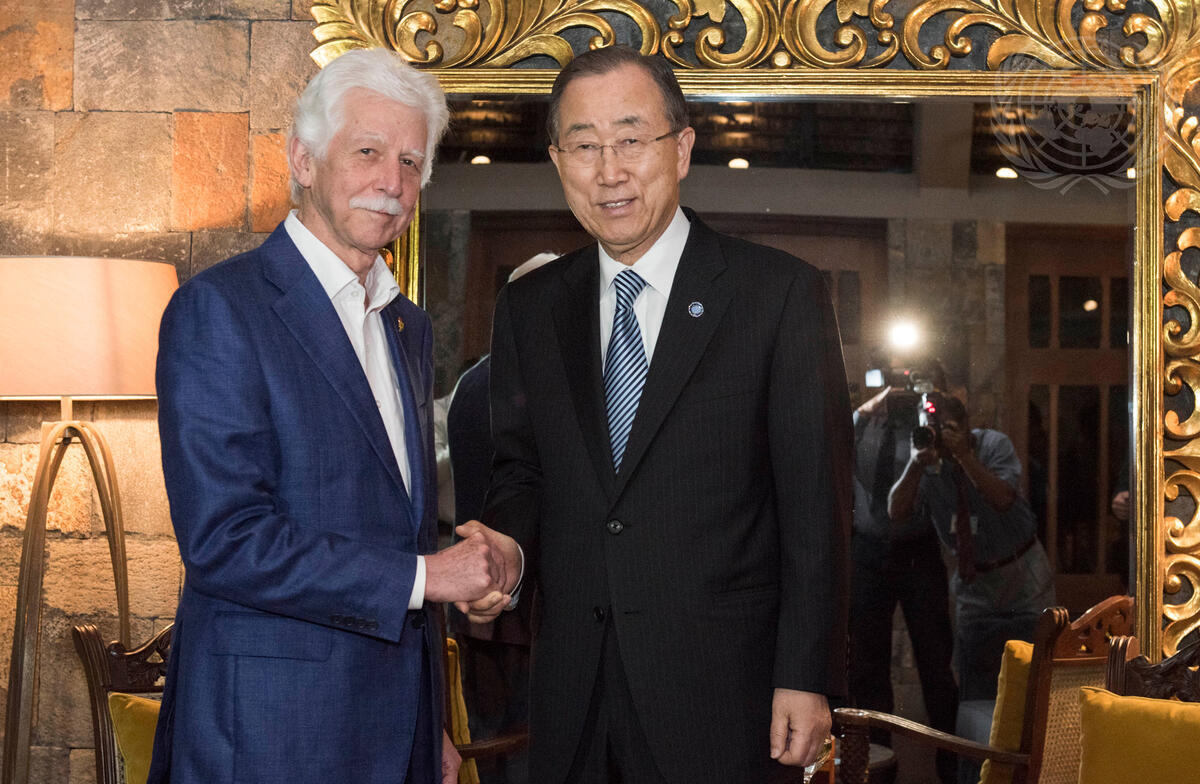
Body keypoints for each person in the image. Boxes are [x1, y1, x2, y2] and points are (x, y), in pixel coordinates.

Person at [463, 46, 854, 784]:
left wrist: (806, 676)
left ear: (681, 150)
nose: (608, 171)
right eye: (584, 146)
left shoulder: (776, 295)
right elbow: (522, 471)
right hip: (571, 688)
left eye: (631, 139)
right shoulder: (530, 307)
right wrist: (507, 551)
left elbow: (815, 509)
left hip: (723, 692)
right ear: (558, 162)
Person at [150, 48, 517, 784]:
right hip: (268, 738)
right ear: (303, 159)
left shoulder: (407, 326)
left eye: (411, 162)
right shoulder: (219, 309)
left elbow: (393, 526)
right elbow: (225, 541)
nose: (392, 182)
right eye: (368, 152)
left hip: (395, 734)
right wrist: (427, 576)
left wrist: (428, 727)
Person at [445, 253, 559, 784]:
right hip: (522, 606)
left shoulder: (473, 380)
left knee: (491, 744)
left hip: (480, 606)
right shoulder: (532, 386)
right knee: (520, 753)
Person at [888, 394, 1056, 702]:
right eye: (929, 429)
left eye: (945, 428)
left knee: (1033, 680)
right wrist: (915, 463)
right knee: (975, 683)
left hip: (1023, 576)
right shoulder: (927, 465)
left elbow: (1002, 499)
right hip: (974, 584)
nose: (937, 437)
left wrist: (964, 457)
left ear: (966, 426)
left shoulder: (992, 445)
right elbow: (896, 512)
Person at [850, 364, 958, 784]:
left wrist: (931, 413)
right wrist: (872, 405)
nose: (901, 395)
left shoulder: (928, 423)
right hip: (867, 549)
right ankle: (877, 769)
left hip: (918, 549)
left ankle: (951, 769)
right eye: (895, 387)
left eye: (908, 388)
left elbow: (946, 475)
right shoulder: (864, 422)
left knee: (935, 660)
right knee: (867, 666)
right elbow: (837, 441)